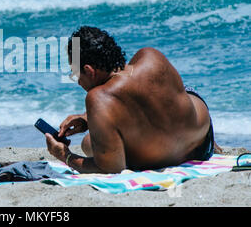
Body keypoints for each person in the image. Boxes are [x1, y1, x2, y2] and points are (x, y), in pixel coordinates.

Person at [45, 26, 222, 174]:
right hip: (202, 140)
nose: (77, 81)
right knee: (177, 93)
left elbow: (111, 169)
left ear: (89, 70)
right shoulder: (150, 55)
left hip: (167, 158)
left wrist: (65, 155)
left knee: (89, 143)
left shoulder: (98, 98)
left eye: (75, 74)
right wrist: (87, 118)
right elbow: (134, 97)